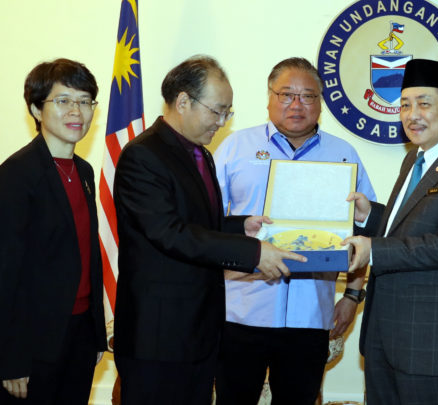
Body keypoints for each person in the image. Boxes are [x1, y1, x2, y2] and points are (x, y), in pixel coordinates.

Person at [112, 55, 305, 405]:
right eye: (217, 111)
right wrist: (253, 253)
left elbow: (197, 222)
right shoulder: (143, 156)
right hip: (158, 336)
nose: (222, 122)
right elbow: (170, 233)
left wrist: (241, 227)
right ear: (183, 101)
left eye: (227, 112)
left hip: (198, 332)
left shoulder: (200, 154)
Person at [213, 57, 376, 405]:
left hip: (310, 316)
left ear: (321, 103)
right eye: (287, 94)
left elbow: (364, 232)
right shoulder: (234, 148)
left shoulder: (343, 155)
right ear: (269, 97)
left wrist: (352, 297)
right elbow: (207, 225)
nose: (297, 105)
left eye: (308, 96)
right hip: (241, 311)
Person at [343, 59, 438, 405]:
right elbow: (409, 225)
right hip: (385, 336)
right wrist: (371, 216)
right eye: (404, 105)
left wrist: (374, 250)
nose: (412, 115)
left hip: (431, 344)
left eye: (424, 104)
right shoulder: (414, 160)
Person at [0, 59, 107, 404]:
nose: (76, 111)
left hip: (80, 334)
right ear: (36, 108)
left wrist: (95, 334)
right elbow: (6, 273)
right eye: (63, 101)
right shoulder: (16, 175)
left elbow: (88, 257)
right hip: (33, 342)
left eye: (85, 101)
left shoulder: (85, 172)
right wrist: (9, 358)